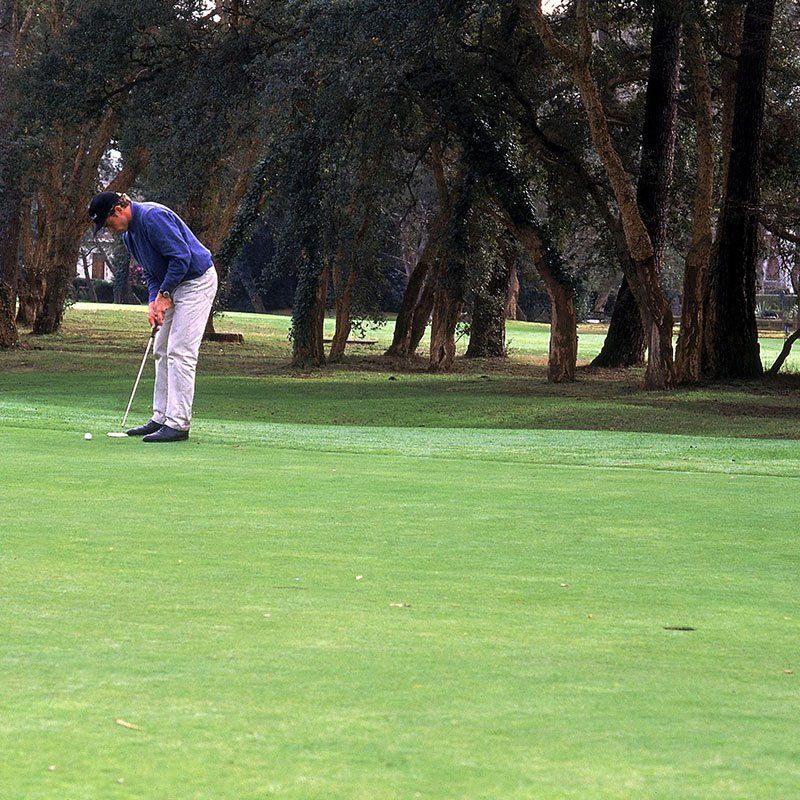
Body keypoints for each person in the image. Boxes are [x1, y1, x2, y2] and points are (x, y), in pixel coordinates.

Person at [88, 191, 218, 442]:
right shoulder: (129, 236)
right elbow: (151, 273)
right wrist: (152, 302)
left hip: (196, 282)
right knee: (160, 348)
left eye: (107, 223)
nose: (108, 229)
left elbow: (181, 258)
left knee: (180, 351)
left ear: (118, 210)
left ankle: (178, 424)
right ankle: (161, 417)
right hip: (172, 285)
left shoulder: (152, 217)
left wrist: (165, 294)